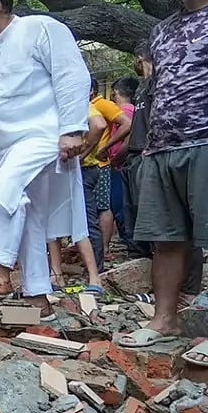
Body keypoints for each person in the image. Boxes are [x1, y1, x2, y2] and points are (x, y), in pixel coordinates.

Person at [0, 0, 91, 319]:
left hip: (43, 135)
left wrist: (72, 129)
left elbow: (71, 76)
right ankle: (38, 302)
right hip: (1, 147)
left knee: (6, 191)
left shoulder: (41, 28)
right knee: (28, 217)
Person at [121, 0, 208, 362]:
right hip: (162, 147)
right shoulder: (162, 30)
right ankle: (165, 321)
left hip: (206, 141)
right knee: (167, 239)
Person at [47, 106, 107, 292]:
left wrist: (82, 153)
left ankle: (58, 275)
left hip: (58, 162)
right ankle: (93, 278)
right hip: (65, 163)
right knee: (76, 220)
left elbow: (98, 124)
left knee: (62, 219)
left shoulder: (65, 98)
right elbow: (98, 123)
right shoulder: (69, 100)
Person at [85, 76, 132, 265]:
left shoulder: (101, 104)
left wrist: (104, 148)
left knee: (103, 208)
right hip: (93, 165)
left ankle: (103, 249)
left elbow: (127, 123)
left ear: (90, 90)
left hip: (99, 165)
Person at [108, 76, 139, 252]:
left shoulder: (125, 111)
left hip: (120, 165)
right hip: (121, 164)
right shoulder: (132, 109)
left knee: (120, 205)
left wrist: (114, 160)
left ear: (116, 92)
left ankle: (130, 242)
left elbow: (127, 141)